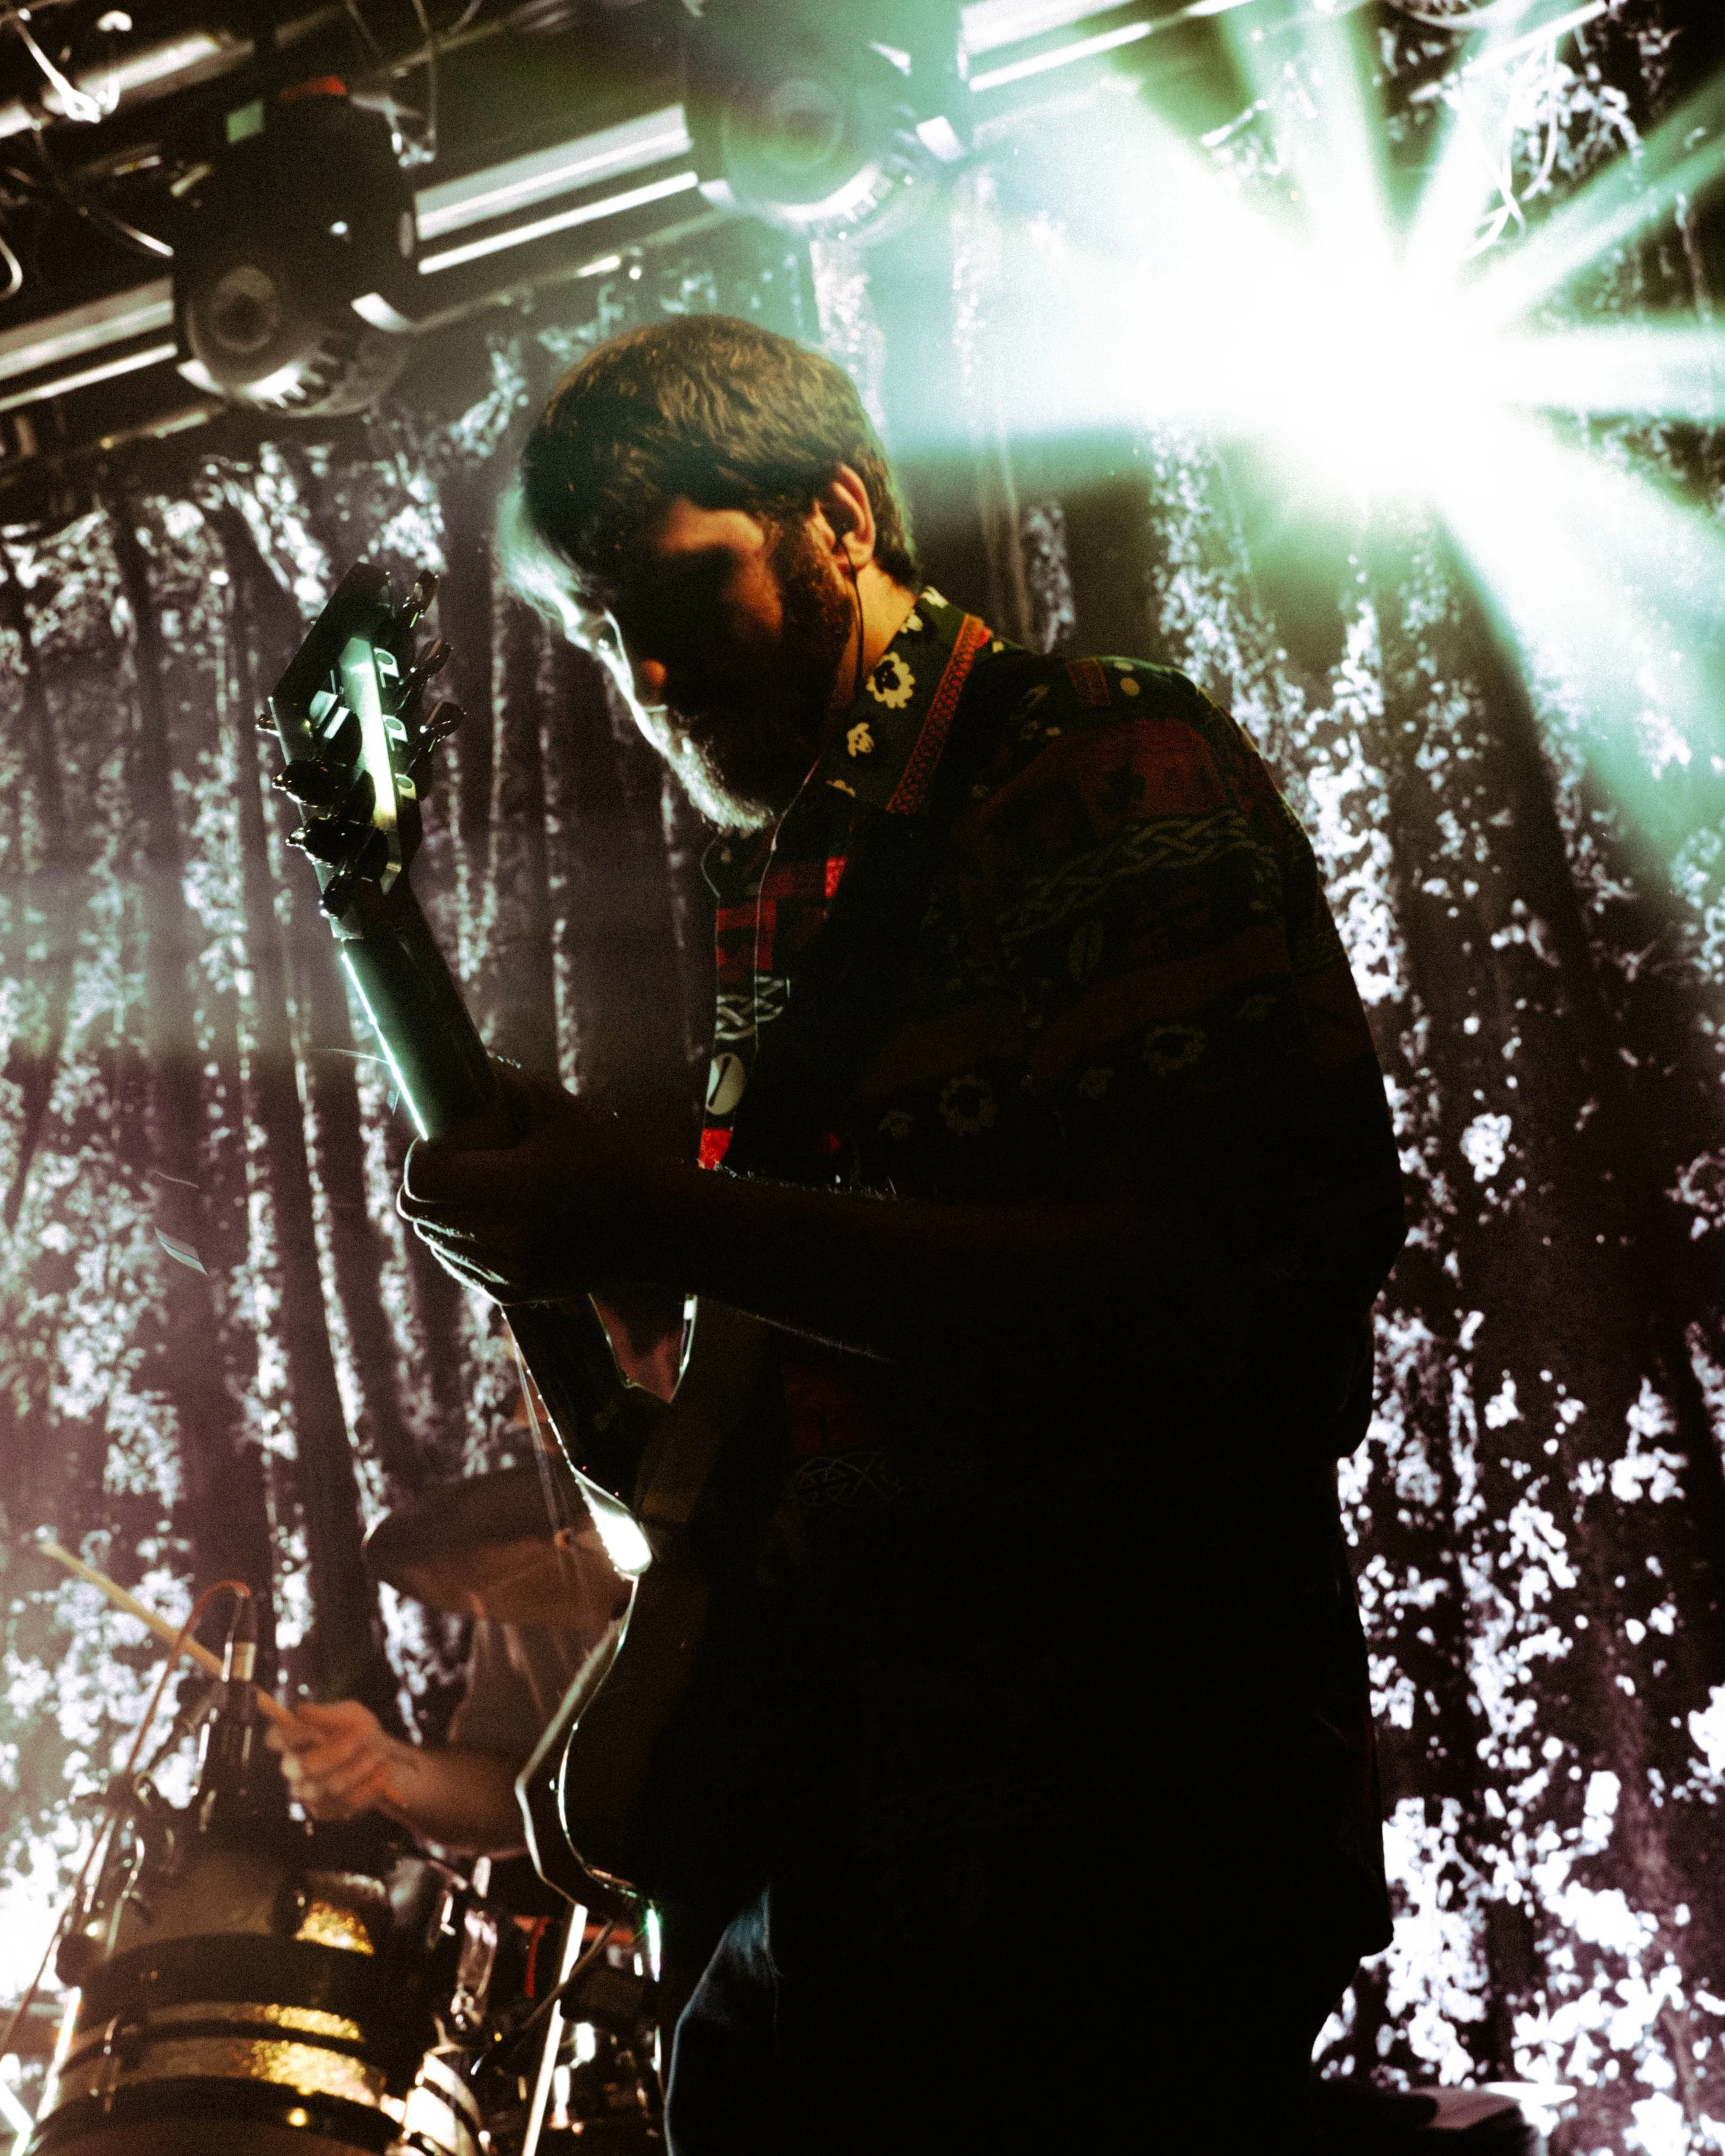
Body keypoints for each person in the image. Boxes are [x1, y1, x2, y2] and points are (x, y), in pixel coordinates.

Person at [397, 315, 1408, 2153]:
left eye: (673, 586)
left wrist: (657, 1214)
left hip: (1114, 1812)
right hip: (859, 1828)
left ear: (838, 521)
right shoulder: (795, 884)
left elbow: (1219, 1286)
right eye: (586, 630)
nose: (638, 668)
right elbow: (809, 1393)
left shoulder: (1096, 765)